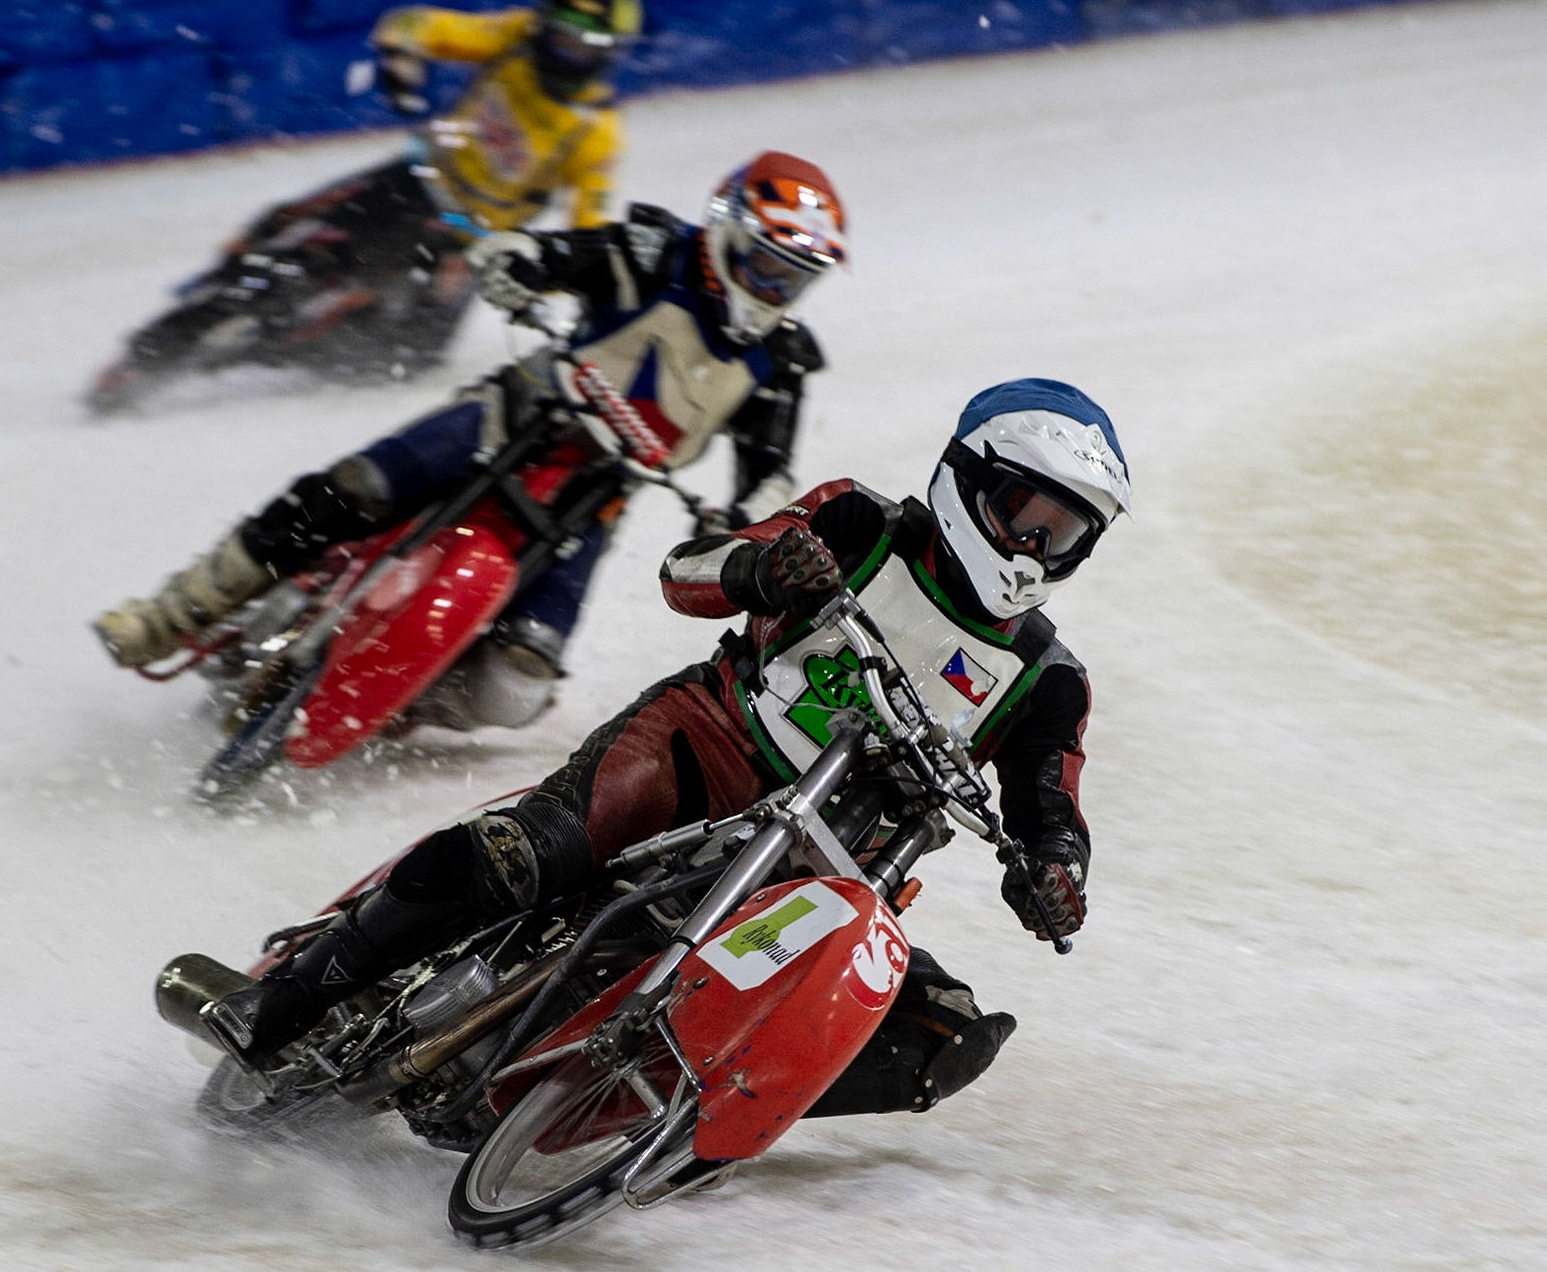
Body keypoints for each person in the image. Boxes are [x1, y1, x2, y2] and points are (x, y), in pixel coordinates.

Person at [197, 377, 1132, 1118]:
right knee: (523, 852)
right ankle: (280, 1004)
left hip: (829, 871)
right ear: (969, 479)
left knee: (942, 1035)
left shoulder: (1048, 678)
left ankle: (639, 1123)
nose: (1039, 549)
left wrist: (1054, 870)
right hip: (704, 747)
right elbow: (687, 568)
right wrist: (761, 567)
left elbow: (1054, 806)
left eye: (1067, 535)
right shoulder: (860, 524)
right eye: (1028, 515)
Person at [94, 151, 847, 734]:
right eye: (765, 266)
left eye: (795, 279)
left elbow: (769, 471)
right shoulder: (652, 250)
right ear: (724, 230)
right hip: (518, 415)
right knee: (348, 489)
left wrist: (742, 520)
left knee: (520, 680)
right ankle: (164, 619)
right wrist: (516, 266)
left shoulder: (781, 361)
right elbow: (548, 255)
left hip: (597, 497)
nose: (774, 291)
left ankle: (408, 702)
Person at [92, 0, 642, 395]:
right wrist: (402, 58)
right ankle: (167, 339)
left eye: (580, 44)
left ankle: (247, 349)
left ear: (607, 54)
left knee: (402, 359)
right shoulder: (518, 38)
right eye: (557, 33)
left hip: (468, 239)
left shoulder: (595, 132)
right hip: (413, 182)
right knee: (282, 237)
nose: (561, 50)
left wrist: (565, 289)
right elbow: (416, 23)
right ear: (543, 23)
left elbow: (587, 231)